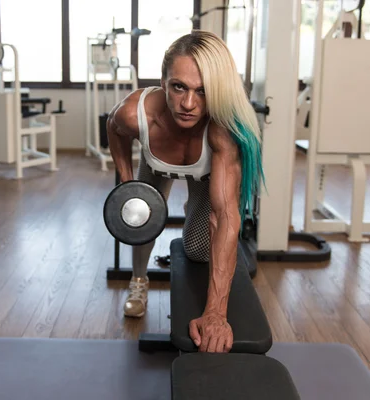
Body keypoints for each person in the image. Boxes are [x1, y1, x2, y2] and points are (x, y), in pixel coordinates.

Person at [106, 30, 264, 353]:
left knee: (196, 250)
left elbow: (225, 218)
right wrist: (125, 181)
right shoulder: (135, 114)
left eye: (202, 92)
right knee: (139, 217)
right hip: (157, 162)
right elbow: (114, 127)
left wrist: (216, 314)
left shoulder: (223, 133)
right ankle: (139, 280)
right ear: (163, 81)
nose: (189, 104)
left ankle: (195, 202)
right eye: (179, 87)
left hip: (206, 175)